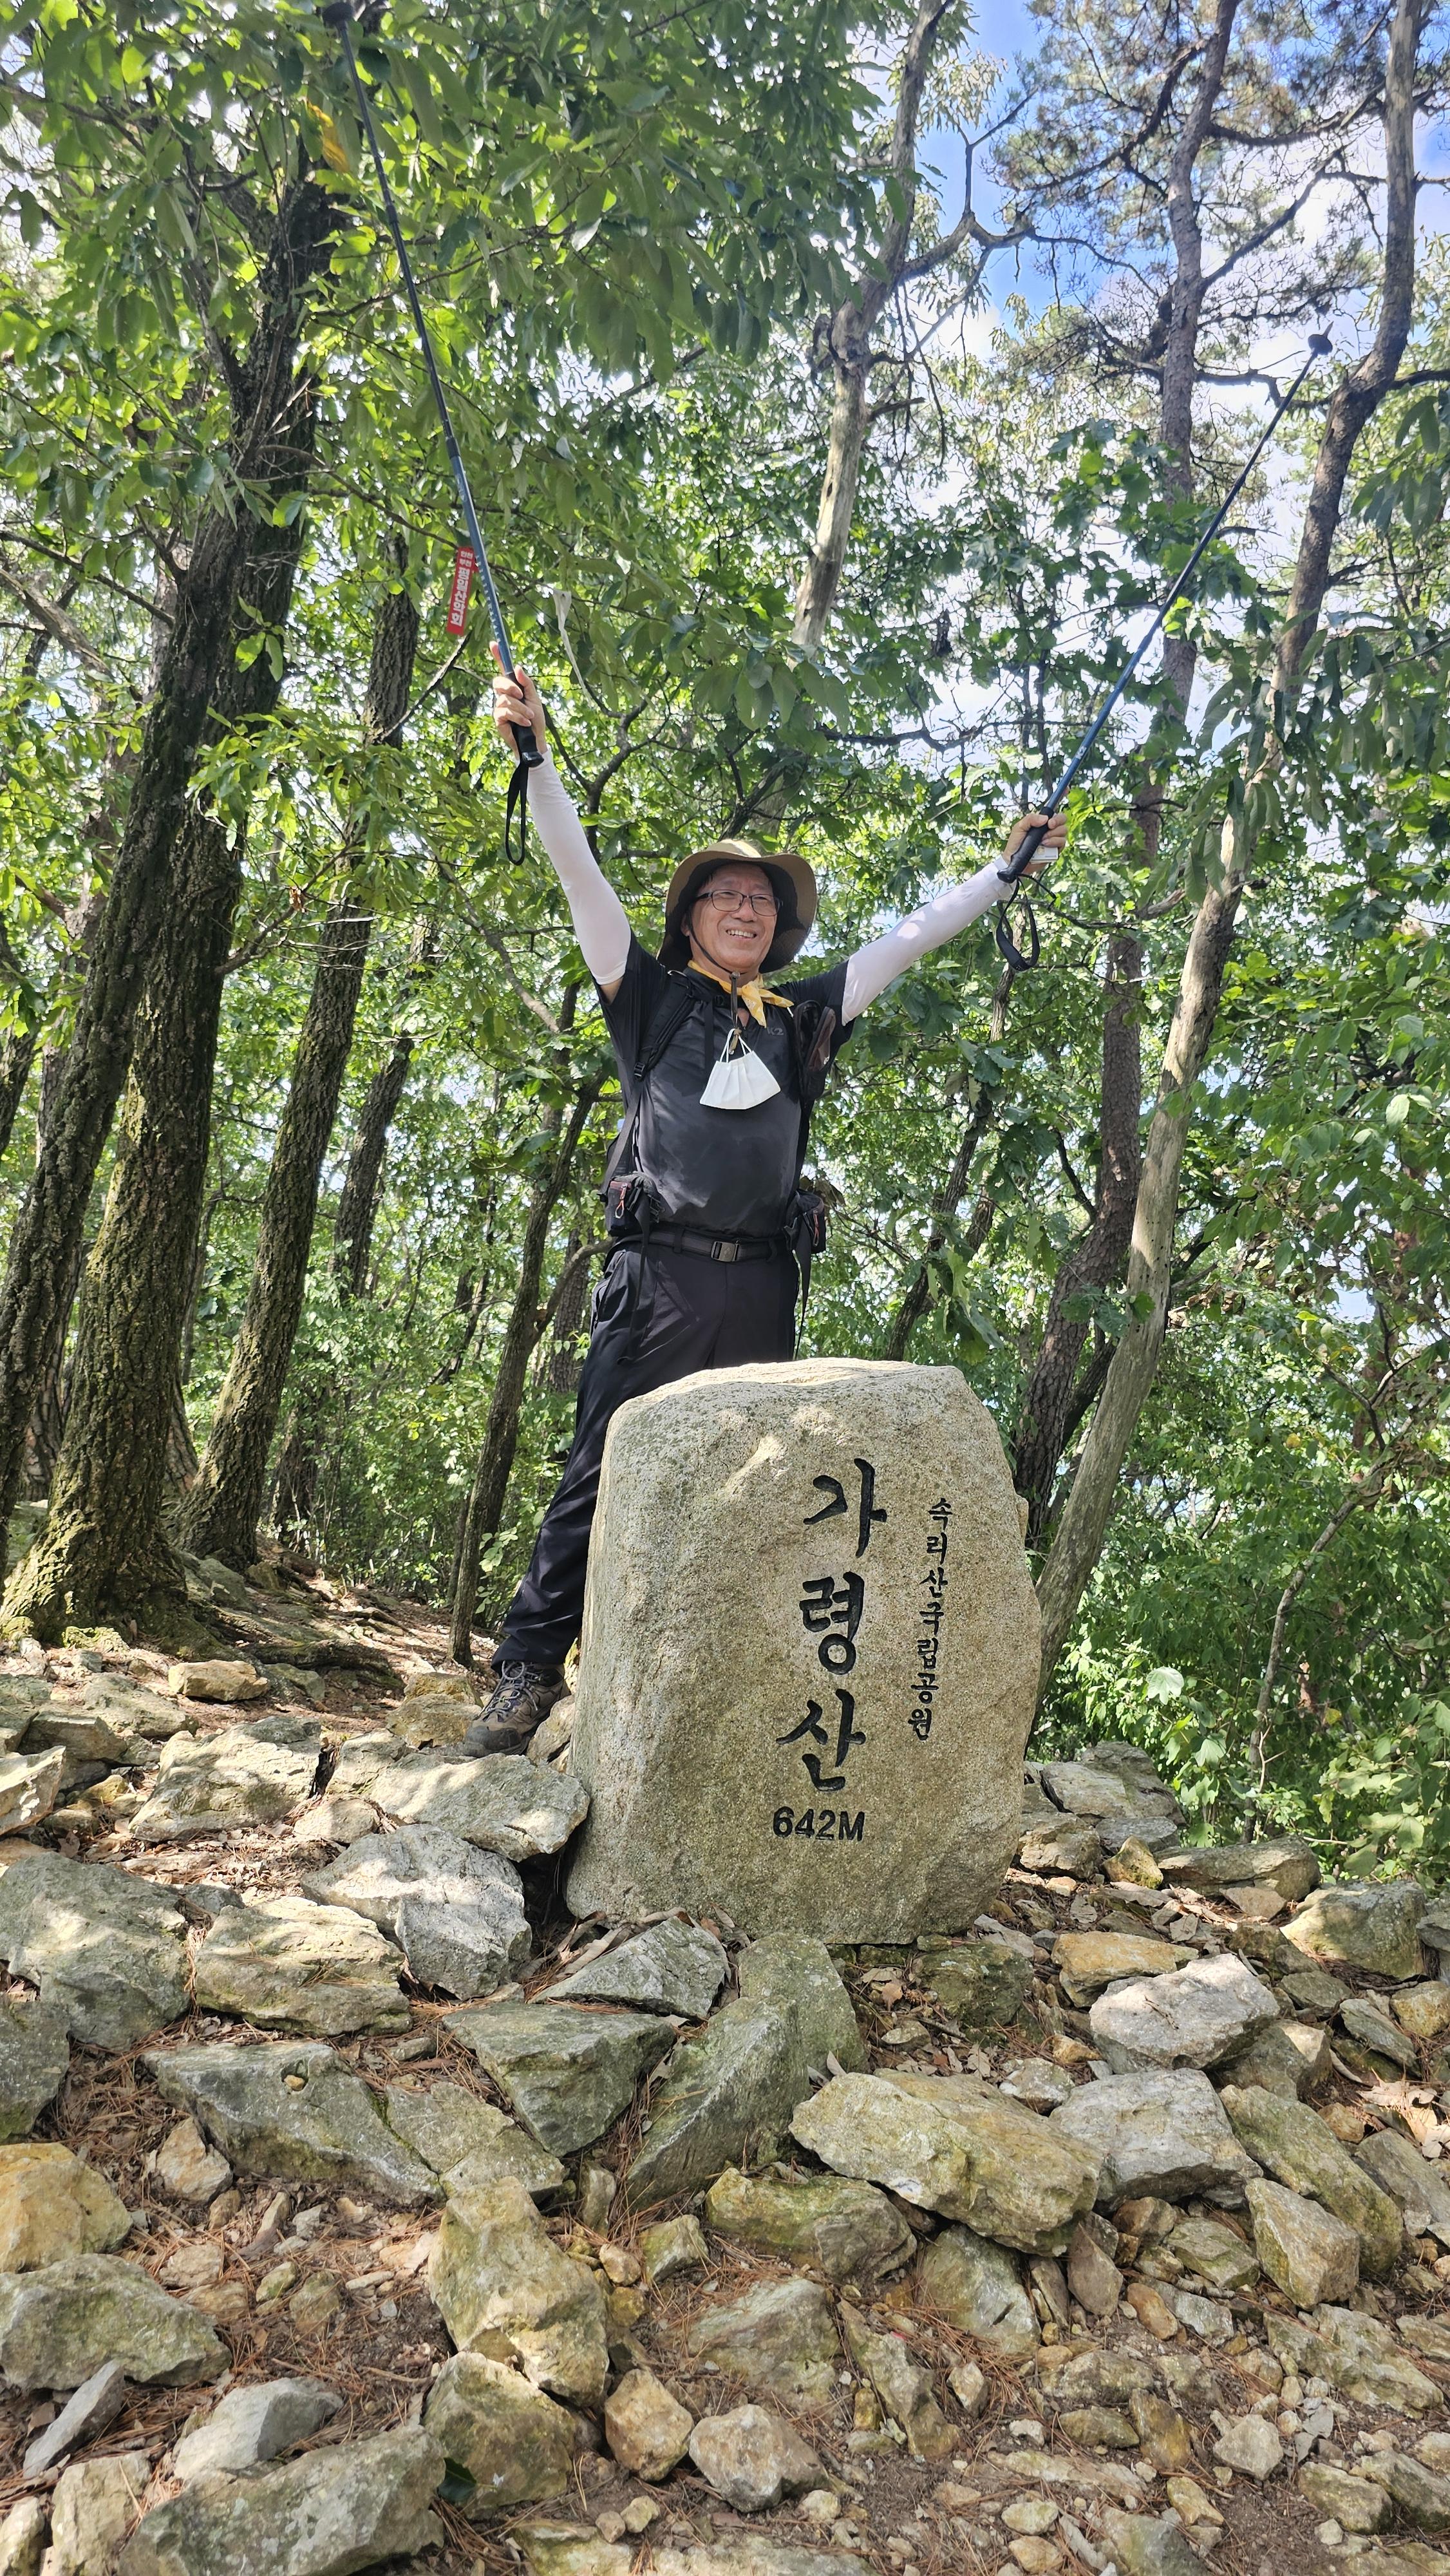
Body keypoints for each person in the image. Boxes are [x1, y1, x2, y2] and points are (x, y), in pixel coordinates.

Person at [466, 661, 1066, 1754]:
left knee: (743, 1483)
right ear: (692, 916)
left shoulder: (802, 1019)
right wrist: (536, 760)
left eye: (762, 900)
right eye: (726, 896)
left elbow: (911, 937)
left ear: (777, 927)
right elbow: (579, 875)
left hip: (762, 1287)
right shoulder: (648, 1000)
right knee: (602, 1467)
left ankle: (697, 1683)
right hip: (657, 1281)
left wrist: (1003, 872)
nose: (746, 909)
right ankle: (526, 1671)